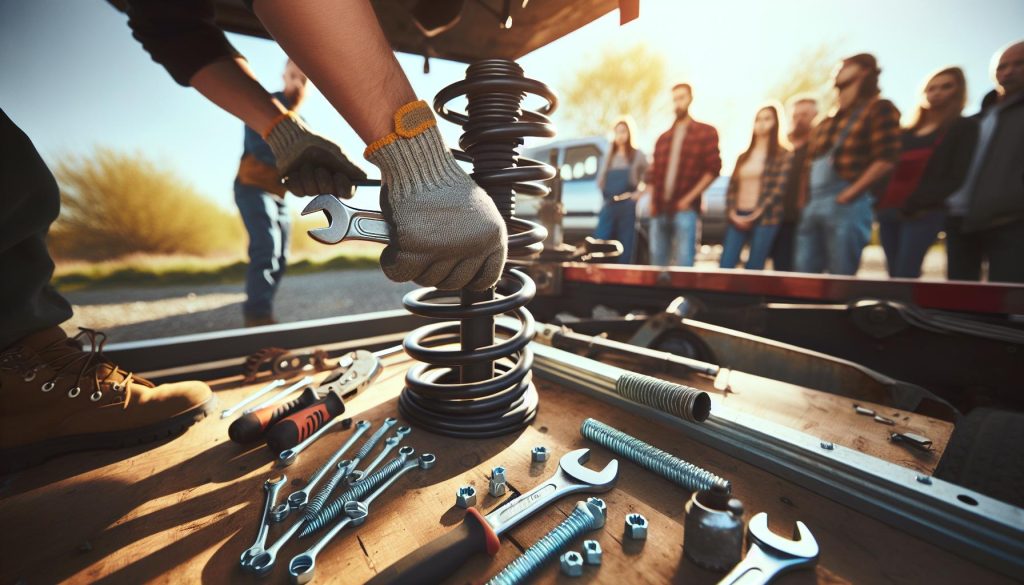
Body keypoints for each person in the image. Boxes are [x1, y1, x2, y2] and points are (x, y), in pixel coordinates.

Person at [0, 0, 507, 470]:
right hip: (255, 188)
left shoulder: (279, 95)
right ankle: (21, 366)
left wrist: (285, 134)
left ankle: (22, 355)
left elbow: (174, 29)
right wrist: (421, 163)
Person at [794, 53, 901, 275]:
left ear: (864, 71)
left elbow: (886, 158)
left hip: (847, 203)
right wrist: (804, 199)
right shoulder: (826, 121)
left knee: (840, 274)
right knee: (804, 273)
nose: (838, 70)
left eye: (846, 66)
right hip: (814, 203)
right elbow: (808, 165)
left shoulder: (878, 108)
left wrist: (850, 194)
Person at [941, 41, 1024, 283]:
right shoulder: (976, 119)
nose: (1008, 71)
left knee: (1007, 295)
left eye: (1019, 64)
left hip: (1011, 221)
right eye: (1002, 66)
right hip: (960, 220)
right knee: (959, 295)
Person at [235, 60, 308, 326]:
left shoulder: (302, 122)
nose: (298, 82)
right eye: (293, 75)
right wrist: (298, 161)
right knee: (266, 246)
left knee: (281, 255)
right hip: (253, 187)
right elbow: (260, 148)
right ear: (283, 75)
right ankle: (257, 316)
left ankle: (263, 308)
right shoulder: (265, 105)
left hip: (278, 194)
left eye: (304, 78)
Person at [876, 67, 967, 279]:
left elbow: (956, 176)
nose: (937, 93)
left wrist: (918, 201)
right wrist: (879, 199)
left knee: (906, 272)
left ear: (958, 91)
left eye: (946, 87)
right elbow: (887, 167)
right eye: (931, 88)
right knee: (893, 274)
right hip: (889, 208)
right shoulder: (906, 132)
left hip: (923, 211)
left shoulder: (962, 127)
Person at [648, 84, 722, 267]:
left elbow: (713, 169)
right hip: (660, 209)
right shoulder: (663, 139)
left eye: (681, 98)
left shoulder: (705, 132)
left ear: (690, 99)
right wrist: (652, 202)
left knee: (684, 264)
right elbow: (653, 174)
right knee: (657, 266)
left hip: (686, 209)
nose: (678, 103)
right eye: (674, 99)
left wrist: (688, 199)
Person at [719, 104, 791, 270]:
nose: (762, 124)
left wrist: (756, 214)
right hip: (738, 216)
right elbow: (732, 188)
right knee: (726, 264)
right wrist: (733, 214)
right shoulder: (743, 157)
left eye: (767, 119)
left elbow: (779, 189)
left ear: (776, 122)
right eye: (758, 119)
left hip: (765, 217)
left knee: (755, 267)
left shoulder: (783, 155)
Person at [769, 96, 818, 271]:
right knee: (781, 267)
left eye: (804, 115)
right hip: (780, 217)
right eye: (795, 115)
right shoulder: (782, 145)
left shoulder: (818, 145)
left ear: (814, 115)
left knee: (805, 267)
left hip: (806, 216)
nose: (799, 119)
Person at [594, 117, 648, 264]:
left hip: (627, 205)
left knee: (626, 243)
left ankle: (623, 270)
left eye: (623, 131)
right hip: (609, 204)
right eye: (617, 132)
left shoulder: (637, 155)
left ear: (629, 133)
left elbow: (649, 177)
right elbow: (600, 180)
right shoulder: (608, 155)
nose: (620, 135)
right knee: (601, 239)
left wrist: (639, 194)